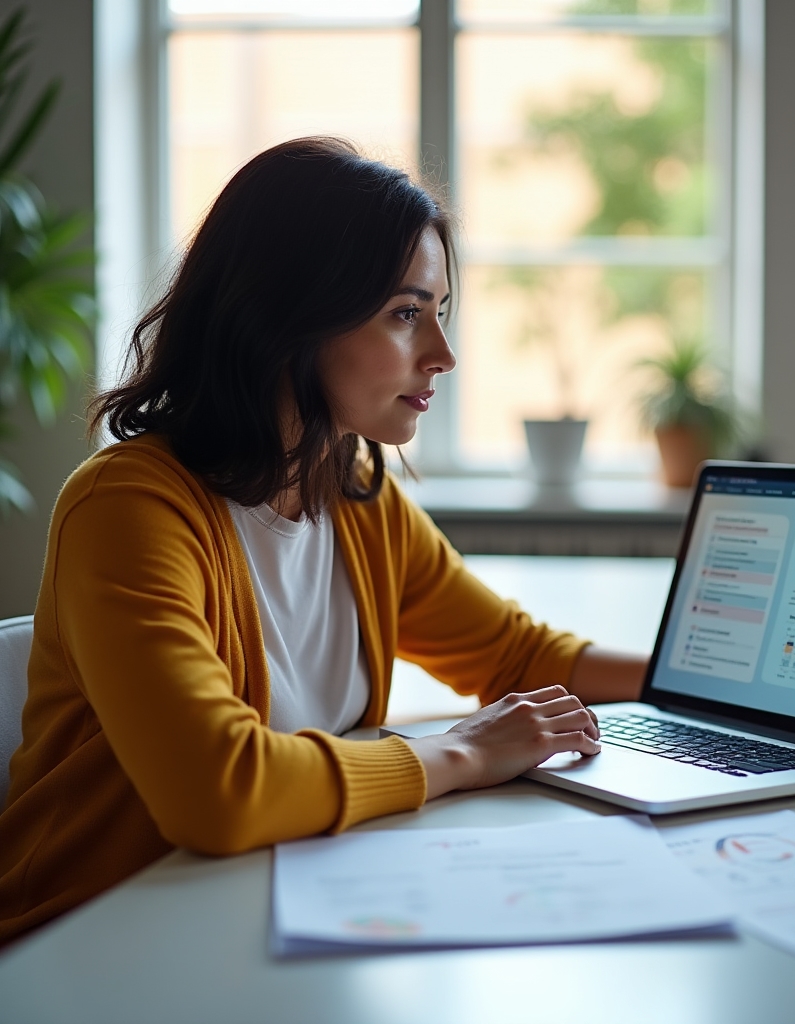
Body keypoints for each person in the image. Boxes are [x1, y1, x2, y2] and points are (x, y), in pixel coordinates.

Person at [0, 137, 646, 945]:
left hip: (269, 915)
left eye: (438, 313)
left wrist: (722, 693)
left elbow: (515, 657)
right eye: (406, 314)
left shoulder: (358, 494)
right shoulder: (128, 508)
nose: (442, 355)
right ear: (288, 317)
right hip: (88, 946)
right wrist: (464, 753)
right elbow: (220, 791)